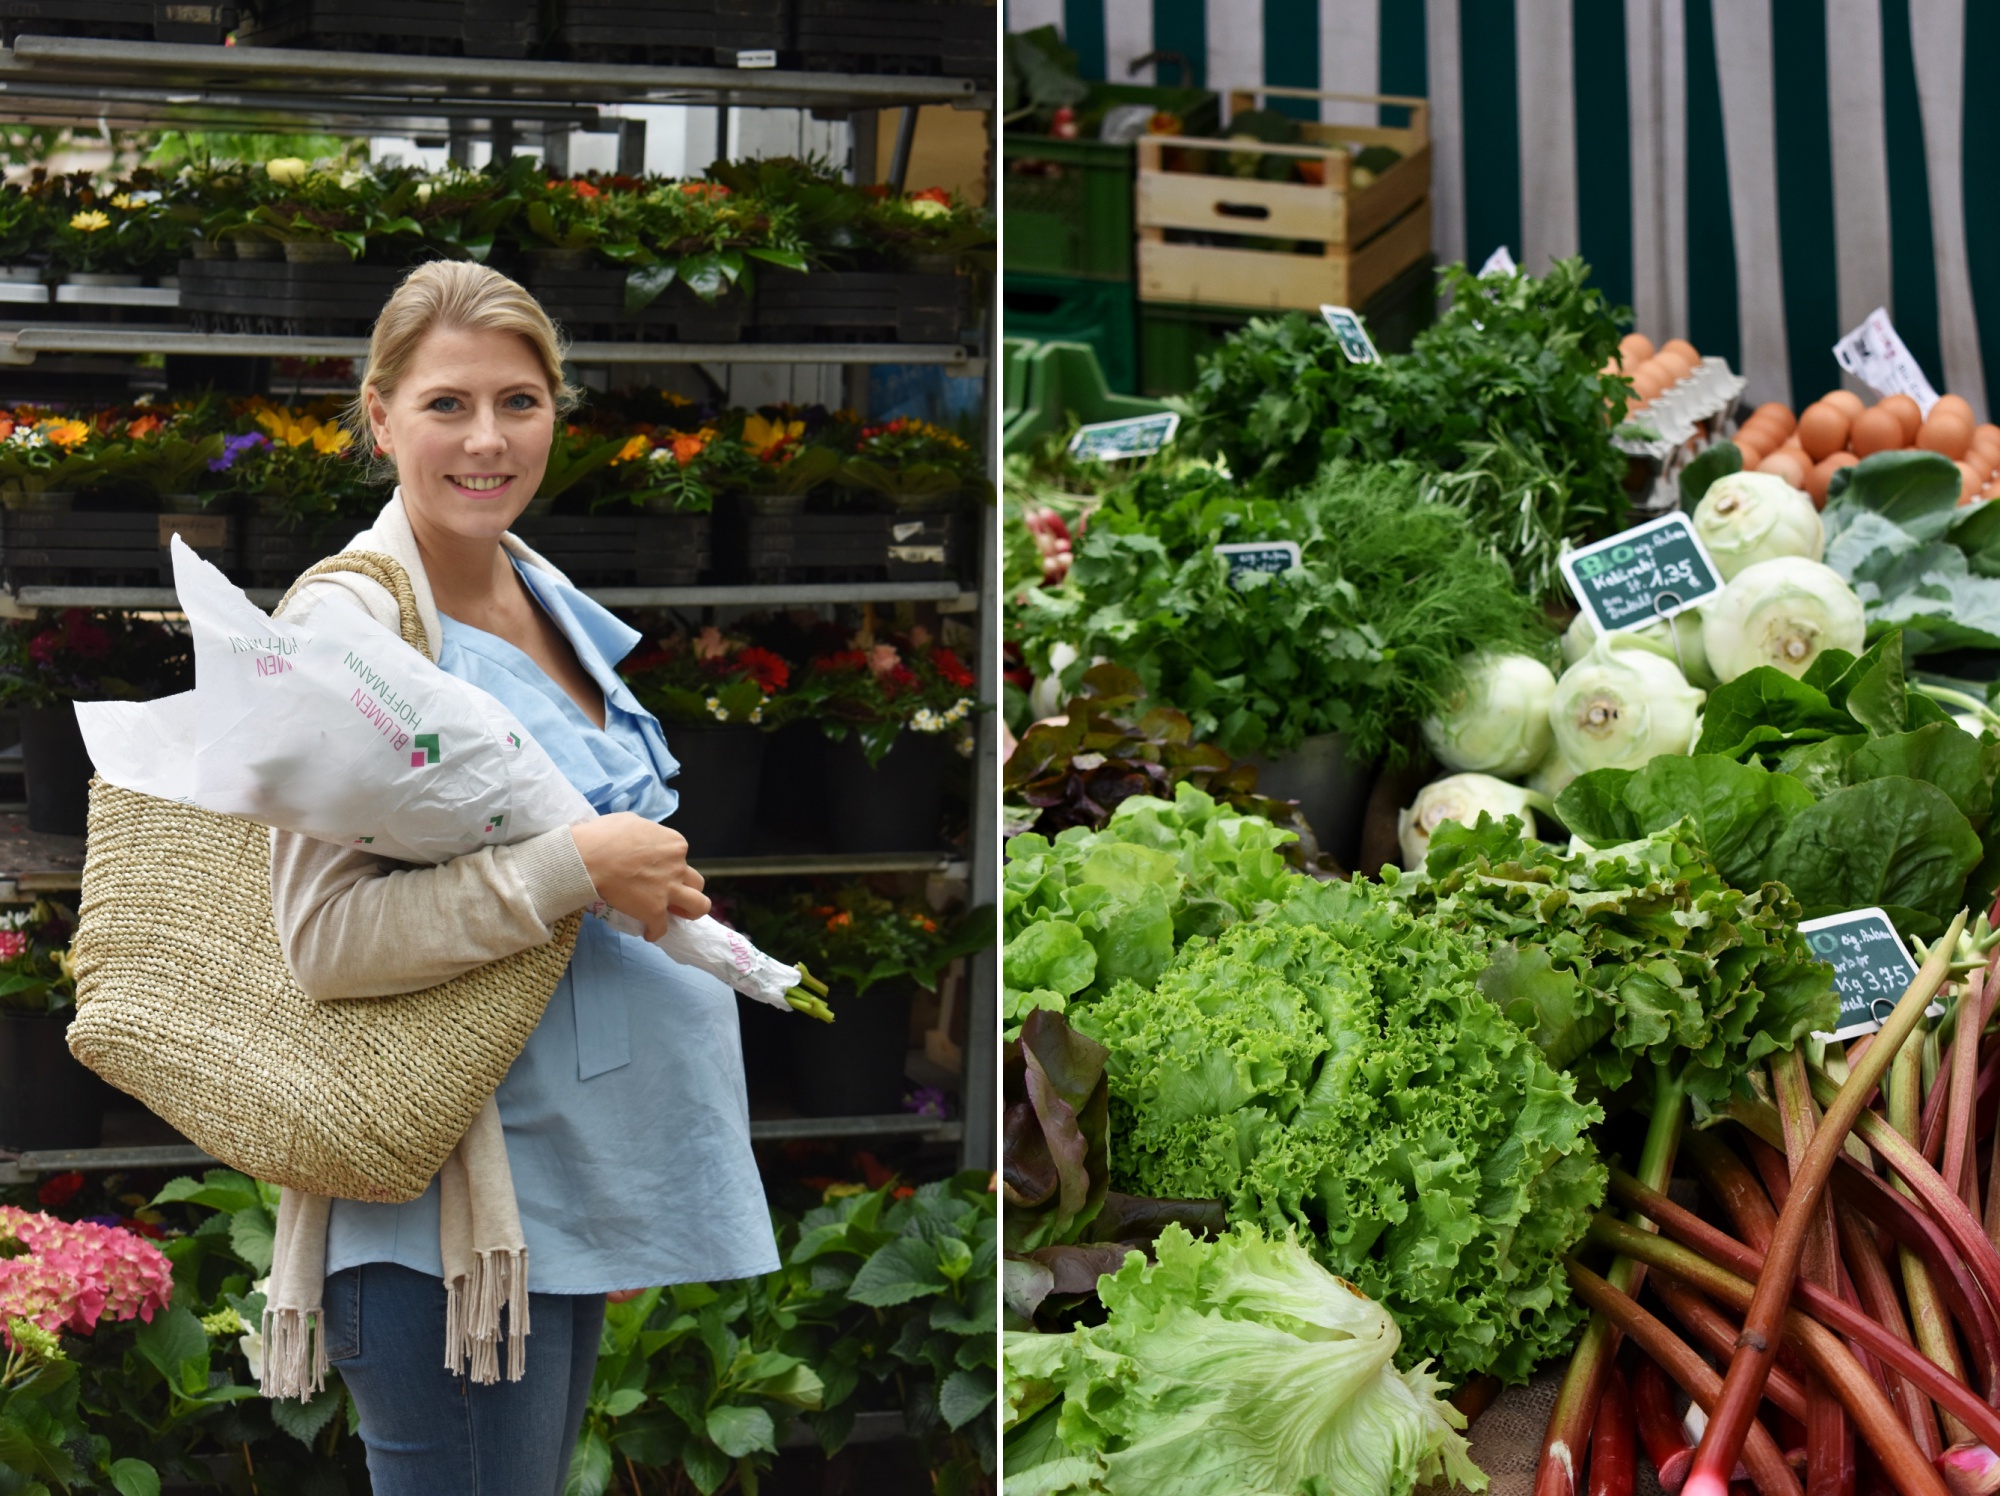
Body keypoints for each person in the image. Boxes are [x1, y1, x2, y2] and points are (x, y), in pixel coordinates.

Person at [257, 260, 777, 1494]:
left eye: (520, 400)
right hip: (447, 1222)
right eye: (446, 404)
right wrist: (576, 863)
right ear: (377, 415)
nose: (487, 438)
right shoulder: (355, 631)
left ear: (558, 407)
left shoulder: (532, 586)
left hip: (557, 1189)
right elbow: (321, 939)